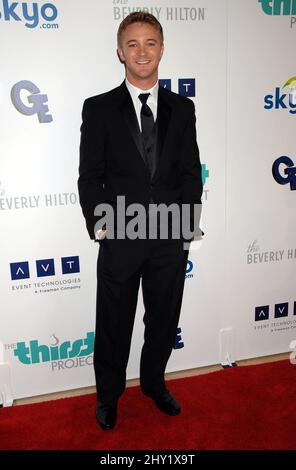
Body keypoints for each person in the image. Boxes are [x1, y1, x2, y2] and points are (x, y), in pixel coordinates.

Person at [78, 12, 203, 430]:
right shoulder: (98, 109)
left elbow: (190, 172)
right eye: (133, 44)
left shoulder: (183, 109)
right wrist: (102, 226)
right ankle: (109, 396)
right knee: (113, 322)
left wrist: (186, 228)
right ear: (120, 51)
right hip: (121, 237)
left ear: (162, 49)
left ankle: (153, 383)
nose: (142, 51)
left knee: (163, 320)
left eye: (150, 43)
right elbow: (89, 177)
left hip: (169, 236)